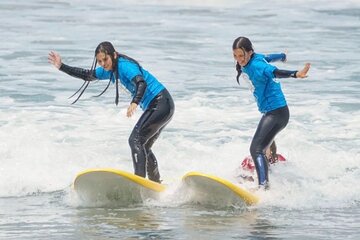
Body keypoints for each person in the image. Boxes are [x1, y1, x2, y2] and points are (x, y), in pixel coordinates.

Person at [48, 41, 175, 183]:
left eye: (105, 59)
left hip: (160, 103)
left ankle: (139, 182)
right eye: (99, 61)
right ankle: (155, 184)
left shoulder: (124, 65)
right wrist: (61, 66)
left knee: (135, 140)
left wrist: (135, 102)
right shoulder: (110, 70)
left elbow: (141, 82)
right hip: (164, 105)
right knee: (143, 146)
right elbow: (87, 75)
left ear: (114, 55)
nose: (103, 64)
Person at [232, 36, 310, 189]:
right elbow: (268, 57)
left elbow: (275, 72)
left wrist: (295, 74)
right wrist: (282, 56)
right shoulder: (256, 58)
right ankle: (269, 176)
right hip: (275, 112)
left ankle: (263, 188)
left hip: (276, 113)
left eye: (241, 55)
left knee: (256, 149)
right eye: (235, 56)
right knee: (263, 147)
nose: (239, 60)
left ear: (249, 52)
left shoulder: (257, 66)